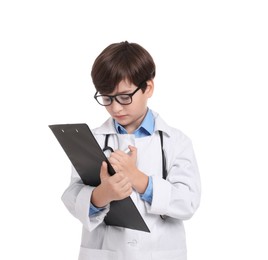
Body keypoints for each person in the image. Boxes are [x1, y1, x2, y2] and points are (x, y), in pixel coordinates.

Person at [61, 41, 201, 260]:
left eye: (125, 97)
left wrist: (139, 180)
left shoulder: (177, 142)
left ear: (148, 88)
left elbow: (188, 202)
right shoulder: (94, 139)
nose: (115, 107)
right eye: (107, 98)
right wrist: (100, 196)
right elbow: (71, 194)